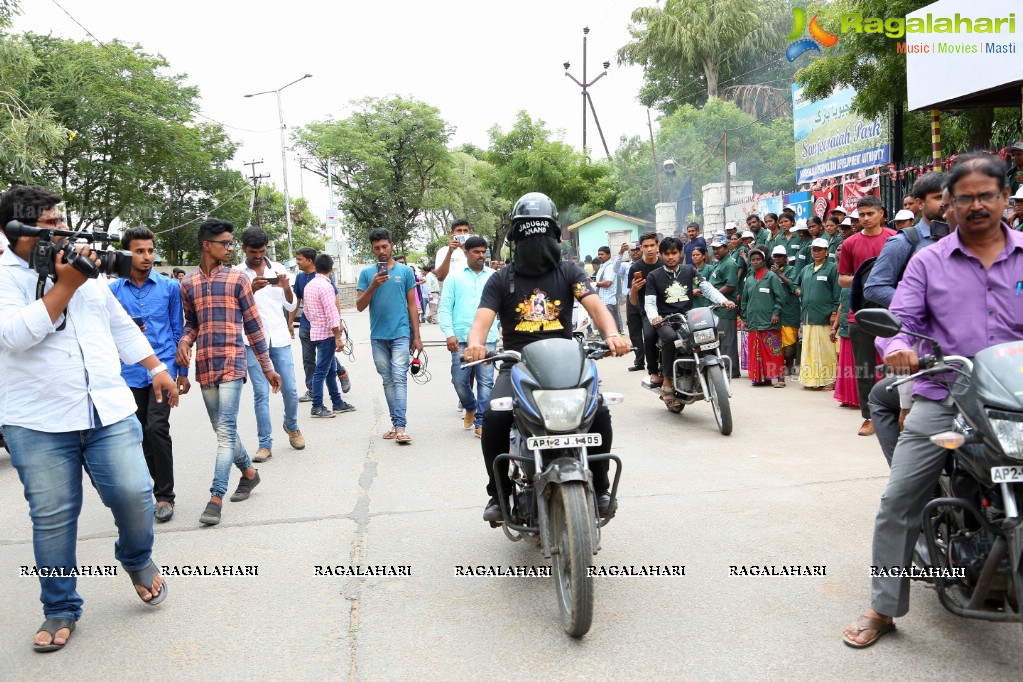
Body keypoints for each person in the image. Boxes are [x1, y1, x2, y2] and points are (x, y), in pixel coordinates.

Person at [842, 152, 1022, 648]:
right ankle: (882, 605)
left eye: (987, 195)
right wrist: (899, 349)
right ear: (947, 207)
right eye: (964, 198)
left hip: (1016, 399)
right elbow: (900, 325)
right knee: (900, 499)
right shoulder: (926, 261)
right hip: (946, 393)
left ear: (1006, 198)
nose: (977, 205)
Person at [0, 185, 177, 651]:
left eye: (60, 222)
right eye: (47, 225)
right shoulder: (6, 274)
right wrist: (64, 287)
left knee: (136, 494)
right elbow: (14, 336)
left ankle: (137, 557)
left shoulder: (84, 269)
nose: (59, 232)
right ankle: (59, 607)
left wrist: (155, 367)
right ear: (14, 231)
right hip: (36, 420)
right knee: (54, 519)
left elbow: (116, 321)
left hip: (108, 408)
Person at [464, 192, 631, 522]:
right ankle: (498, 493)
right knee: (495, 417)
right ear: (516, 238)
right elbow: (481, 321)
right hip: (516, 366)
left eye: (542, 233)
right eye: (528, 233)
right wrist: (475, 344)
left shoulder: (569, 274)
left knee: (598, 412)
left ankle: (599, 487)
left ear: (554, 236)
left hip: (566, 366)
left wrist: (612, 334)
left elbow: (596, 306)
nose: (536, 241)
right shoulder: (501, 279)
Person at [177, 218, 281, 526]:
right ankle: (249, 473)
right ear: (207, 245)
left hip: (233, 363)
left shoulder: (238, 280)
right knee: (221, 429)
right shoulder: (189, 284)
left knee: (224, 432)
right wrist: (184, 341)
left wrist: (267, 367)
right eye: (225, 243)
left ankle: (215, 498)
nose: (230, 247)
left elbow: (254, 327)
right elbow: (192, 324)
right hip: (205, 365)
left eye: (231, 242)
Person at [110, 226, 190, 523]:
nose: (146, 256)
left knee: (157, 428)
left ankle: (165, 496)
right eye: (139, 251)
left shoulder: (170, 288)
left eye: (150, 250)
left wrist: (182, 372)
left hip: (165, 369)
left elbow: (178, 329)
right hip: (130, 372)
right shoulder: (113, 291)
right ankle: (152, 490)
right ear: (126, 253)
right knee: (140, 432)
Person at [236, 226, 304, 462]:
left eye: (261, 251)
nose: (257, 255)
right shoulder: (237, 274)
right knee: (261, 394)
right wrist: (249, 290)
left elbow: (290, 305)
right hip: (252, 341)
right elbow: (234, 307)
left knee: (291, 389)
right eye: (253, 251)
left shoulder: (278, 269)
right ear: (243, 248)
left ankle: (292, 426)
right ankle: (265, 444)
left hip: (279, 338)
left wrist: (286, 287)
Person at [645, 237, 734, 407]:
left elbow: (707, 288)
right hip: (666, 320)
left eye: (674, 253)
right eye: (667, 254)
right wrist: (655, 317)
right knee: (670, 338)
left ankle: (711, 370)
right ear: (661, 255)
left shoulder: (689, 271)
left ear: (680, 254)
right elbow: (649, 302)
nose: (671, 257)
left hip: (689, 317)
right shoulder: (653, 276)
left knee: (711, 330)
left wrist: (723, 301)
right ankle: (668, 381)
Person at [356, 228, 423, 444]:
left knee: (399, 377)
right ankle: (396, 424)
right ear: (373, 250)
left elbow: (412, 305)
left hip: (401, 334)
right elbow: (359, 306)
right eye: (377, 248)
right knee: (387, 379)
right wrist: (373, 286)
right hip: (378, 336)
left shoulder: (405, 272)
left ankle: (401, 426)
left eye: (385, 246)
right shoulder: (367, 274)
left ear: (392, 245)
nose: (381, 251)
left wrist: (417, 336)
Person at [838, 196, 896, 436]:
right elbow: (842, 279)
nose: (865, 218)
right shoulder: (850, 243)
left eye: (870, 213)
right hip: (859, 313)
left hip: (891, 312)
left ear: (881, 214)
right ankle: (869, 417)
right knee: (864, 369)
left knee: (896, 365)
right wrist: (866, 280)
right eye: (861, 215)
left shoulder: (895, 239)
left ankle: (897, 412)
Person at [439, 235, 498, 437]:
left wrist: (501, 329)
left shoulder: (493, 276)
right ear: (466, 253)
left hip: (487, 337)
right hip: (461, 338)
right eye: (477, 252)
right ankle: (470, 406)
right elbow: (445, 308)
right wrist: (449, 334)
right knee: (459, 381)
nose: (481, 255)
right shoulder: (454, 277)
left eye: (484, 252)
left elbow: (501, 307)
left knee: (486, 381)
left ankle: (481, 421)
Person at [291, 247, 352, 400]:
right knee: (309, 359)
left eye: (299, 259)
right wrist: (290, 321)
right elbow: (297, 301)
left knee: (326, 359)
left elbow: (333, 302)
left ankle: (341, 375)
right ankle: (314, 393)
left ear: (310, 261)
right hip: (306, 325)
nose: (297, 262)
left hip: (324, 327)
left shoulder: (324, 280)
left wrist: (337, 324)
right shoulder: (300, 278)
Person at [303, 254, 352, 418]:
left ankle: (337, 402)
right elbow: (332, 313)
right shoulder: (326, 286)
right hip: (327, 334)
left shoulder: (309, 285)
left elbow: (307, 313)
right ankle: (317, 406)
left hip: (316, 332)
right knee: (321, 371)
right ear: (331, 269)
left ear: (316, 266)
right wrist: (338, 337)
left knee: (330, 370)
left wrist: (317, 323)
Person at [794, 238, 840, 389]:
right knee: (809, 350)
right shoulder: (806, 269)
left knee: (826, 350)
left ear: (826, 251)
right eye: (814, 249)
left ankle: (830, 380)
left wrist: (834, 312)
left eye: (820, 249)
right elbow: (795, 283)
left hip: (824, 316)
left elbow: (837, 292)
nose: (816, 252)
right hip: (808, 316)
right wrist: (797, 290)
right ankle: (811, 380)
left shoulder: (832, 268)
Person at [740, 248, 786, 388]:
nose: (755, 262)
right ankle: (761, 378)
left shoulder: (771, 277)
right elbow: (744, 300)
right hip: (754, 321)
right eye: (753, 260)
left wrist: (776, 312)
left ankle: (780, 378)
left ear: (763, 261)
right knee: (757, 351)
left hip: (770, 320)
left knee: (774, 350)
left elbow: (781, 297)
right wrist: (744, 318)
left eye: (758, 259)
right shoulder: (749, 280)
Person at [629, 231, 664, 386]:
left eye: (652, 245)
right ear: (641, 248)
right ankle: (653, 371)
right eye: (646, 246)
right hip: (647, 312)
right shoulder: (635, 268)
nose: (649, 249)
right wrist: (635, 289)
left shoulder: (665, 264)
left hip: (668, 309)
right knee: (649, 336)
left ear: (657, 246)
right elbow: (632, 300)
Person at [708, 240, 741, 378]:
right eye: (713, 249)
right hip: (718, 308)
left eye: (718, 248)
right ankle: (724, 368)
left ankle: (731, 370)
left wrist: (714, 296)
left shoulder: (729, 264)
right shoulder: (720, 263)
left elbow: (731, 285)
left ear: (726, 248)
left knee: (728, 341)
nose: (715, 251)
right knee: (720, 340)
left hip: (726, 308)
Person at [769, 246, 801, 380]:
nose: (777, 259)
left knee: (790, 341)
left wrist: (779, 274)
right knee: (777, 341)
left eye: (780, 256)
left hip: (790, 310)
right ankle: (780, 366)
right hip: (777, 310)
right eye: (775, 256)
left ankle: (790, 365)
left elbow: (793, 286)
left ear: (786, 258)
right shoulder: (770, 272)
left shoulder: (792, 270)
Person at [617, 242, 647, 372]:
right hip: (631, 300)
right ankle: (639, 362)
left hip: (646, 300)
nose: (635, 252)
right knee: (634, 333)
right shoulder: (625, 266)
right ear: (629, 252)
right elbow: (615, 269)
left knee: (649, 332)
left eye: (637, 250)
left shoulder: (647, 264)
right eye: (632, 250)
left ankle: (654, 360)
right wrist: (620, 252)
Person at [593, 245, 622, 334]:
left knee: (608, 329)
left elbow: (608, 283)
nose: (600, 256)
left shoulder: (609, 267)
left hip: (608, 301)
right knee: (603, 328)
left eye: (602, 254)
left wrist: (594, 283)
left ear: (608, 255)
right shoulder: (602, 266)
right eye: (599, 254)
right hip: (603, 301)